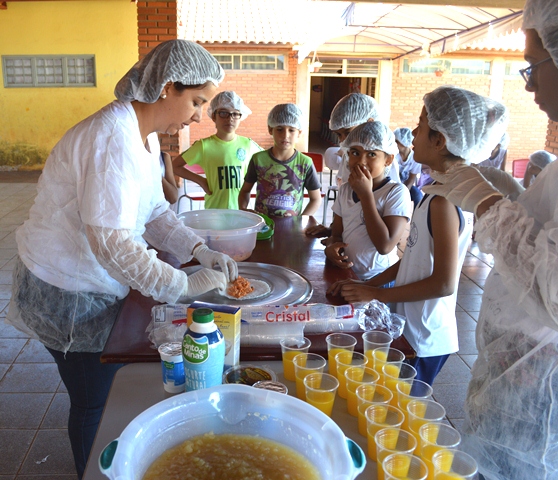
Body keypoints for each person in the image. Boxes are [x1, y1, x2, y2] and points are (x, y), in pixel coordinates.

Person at [5, 40, 239, 479]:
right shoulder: (110, 138)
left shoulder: (144, 139)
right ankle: (90, 471)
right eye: (196, 101)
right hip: (68, 291)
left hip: (94, 281)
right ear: (168, 88)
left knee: (103, 386)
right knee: (93, 398)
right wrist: (182, 285)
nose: (198, 116)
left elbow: (152, 212)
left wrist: (198, 249)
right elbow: (113, 243)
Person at [424, 0, 558, 477]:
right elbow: (557, 242)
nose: (529, 84)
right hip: (522, 375)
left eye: (534, 66)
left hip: (547, 391)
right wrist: (514, 200)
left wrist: (489, 205)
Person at [329, 86, 503, 385]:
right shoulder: (434, 193)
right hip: (410, 324)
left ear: (440, 140)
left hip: (425, 336)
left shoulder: (443, 203)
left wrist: (377, 293)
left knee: (400, 412)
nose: (412, 131)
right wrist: (366, 285)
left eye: (421, 126)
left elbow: (444, 283)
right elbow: (413, 258)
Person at [323, 121, 410, 281]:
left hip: (379, 281)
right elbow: (336, 235)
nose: (361, 161)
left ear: (388, 160)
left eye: (371, 154)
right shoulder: (345, 190)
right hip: (348, 276)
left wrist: (366, 195)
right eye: (355, 152)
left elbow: (385, 246)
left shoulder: (396, 192)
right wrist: (330, 248)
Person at [306, 93, 394, 238]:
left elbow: (387, 233)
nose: (343, 140)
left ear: (370, 123)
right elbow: (347, 207)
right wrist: (333, 231)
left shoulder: (382, 166)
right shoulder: (350, 156)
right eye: (338, 135)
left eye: (347, 132)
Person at [172, 91, 262, 210]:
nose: (230, 118)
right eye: (223, 113)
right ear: (214, 116)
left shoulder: (248, 145)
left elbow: (270, 162)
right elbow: (175, 166)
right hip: (214, 212)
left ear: (241, 116)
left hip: (241, 212)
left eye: (235, 114)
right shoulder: (204, 146)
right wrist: (201, 181)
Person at [238, 103, 322, 216]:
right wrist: (244, 210)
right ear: (270, 129)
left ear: (299, 133)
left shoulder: (305, 163)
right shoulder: (258, 159)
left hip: (292, 229)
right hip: (263, 228)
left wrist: (301, 220)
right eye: (279, 129)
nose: (285, 135)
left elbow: (316, 199)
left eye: (291, 130)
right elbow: (245, 191)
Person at [393, 127, 423, 207]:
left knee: (418, 196)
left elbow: (411, 179)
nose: (394, 143)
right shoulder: (393, 154)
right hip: (392, 184)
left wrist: (403, 193)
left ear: (404, 143)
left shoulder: (415, 158)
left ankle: (416, 217)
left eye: (396, 141)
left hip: (405, 185)